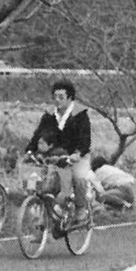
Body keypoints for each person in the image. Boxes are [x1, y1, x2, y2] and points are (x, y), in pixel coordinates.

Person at [25, 80, 94, 223]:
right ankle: (47, 215)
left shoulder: (80, 115)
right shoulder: (49, 115)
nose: (57, 100)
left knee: (79, 178)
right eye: (55, 97)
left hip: (76, 155)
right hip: (55, 155)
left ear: (70, 98)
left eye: (61, 97)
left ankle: (81, 208)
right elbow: (38, 134)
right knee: (43, 181)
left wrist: (77, 154)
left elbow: (85, 139)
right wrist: (30, 150)